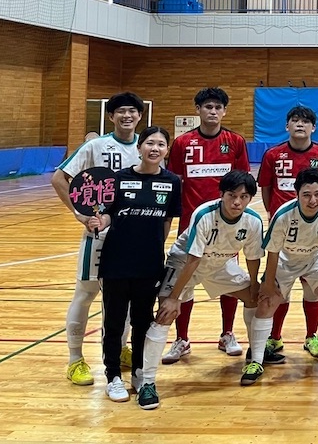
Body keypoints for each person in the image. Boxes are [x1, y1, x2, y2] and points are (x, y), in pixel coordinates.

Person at [138, 170, 265, 409]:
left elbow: (253, 257)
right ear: (221, 194)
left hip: (219, 264)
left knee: (255, 298)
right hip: (184, 262)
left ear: (250, 198)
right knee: (165, 313)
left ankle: (256, 358)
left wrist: (255, 283)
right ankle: (147, 382)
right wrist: (174, 297)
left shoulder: (253, 221)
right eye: (232, 195)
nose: (237, 202)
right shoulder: (205, 214)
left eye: (244, 197)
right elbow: (193, 260)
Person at [51, 91, 144, 386]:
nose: (127, 116)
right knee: (86, 293)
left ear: (140, 115)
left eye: (132, 111)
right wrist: (79, 214)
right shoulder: (95, 145)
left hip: (131, 235)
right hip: (98, 233)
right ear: (111, 116)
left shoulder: (146, 146)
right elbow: (59, 178)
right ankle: (75, 359)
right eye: (121, 111)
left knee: (125, 296)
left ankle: (121, 348)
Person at [88, 126, 181, 403]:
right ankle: (113, 376)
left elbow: (167, 221)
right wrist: (99, 221)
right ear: (139, 147)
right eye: (150, 143)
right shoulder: (119, 178)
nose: (155, 148)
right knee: (114, 322)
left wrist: (153, 248)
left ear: (166, 150)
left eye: (161, 144)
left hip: (149, 265)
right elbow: (108, 215)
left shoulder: (172, 181)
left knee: (143, 321)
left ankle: (139, 372)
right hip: (116, 262)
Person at [162, 87, 250, 364]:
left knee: (230, 279)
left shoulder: (235, 141)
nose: (213, 111)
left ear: (224, 111)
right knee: (184, 284)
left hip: (228, 227)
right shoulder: (182, 143)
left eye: (217, 107)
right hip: (191, 225)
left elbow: (243, 183)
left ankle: (227, 334)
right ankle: (181, 339)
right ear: (198, 109)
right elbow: (175, 181)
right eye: (208, 106)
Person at [257, 105, 318, 361]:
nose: (300, 124)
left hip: (313, 235)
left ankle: (311, 336)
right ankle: (275, 337)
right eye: (295, 120)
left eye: (305, 121)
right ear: (287, 126)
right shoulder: (273, 154)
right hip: (283, 233)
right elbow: (266, 187)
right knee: (279, 291)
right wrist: (272, 214)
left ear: (314, 127)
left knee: (312, 289)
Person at [256, 169, 318, 379]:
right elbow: (273, 252)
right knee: (266, 301)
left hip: (316, 258)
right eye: (306, 195)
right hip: (286, 259)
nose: (312, 200)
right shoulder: (283, 215)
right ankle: (256, 360)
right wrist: (269, 283)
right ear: (297, 194)